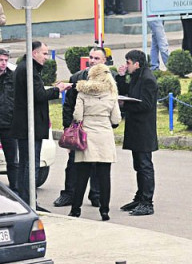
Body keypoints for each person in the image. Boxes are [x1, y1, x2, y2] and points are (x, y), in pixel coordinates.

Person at [13, 42, 71, 205]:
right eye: (44, 54)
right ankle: (29, 202)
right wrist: (58, 89)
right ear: (34, 53)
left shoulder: (26, 68)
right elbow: (38, 95)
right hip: (29, 126)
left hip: (27, 124)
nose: (46, 57)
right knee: (30, 164)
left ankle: (26, 200)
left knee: (26, 163)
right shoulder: (28, 70)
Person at [53, 47, 105, 209]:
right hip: (79, 128)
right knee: (73, 162)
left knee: (97, 162)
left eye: (97, 58)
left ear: (104, 61)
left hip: (98, 128)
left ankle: (96, 195)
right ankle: (69, 193)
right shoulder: (77, 78)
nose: (92, 61)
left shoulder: (109, 79)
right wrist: (67, 128)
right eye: (91, 57)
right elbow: (68, 105)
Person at [69, 63, 121, 221]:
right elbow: (116, 119)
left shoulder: (82, 92)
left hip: (87, 136)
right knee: (104, 176)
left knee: (81, 176)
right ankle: (104, 210)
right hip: (104, 136)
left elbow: (77, 116)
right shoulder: (111, 93)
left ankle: (75, 209)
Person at [116, 50, 159, 216]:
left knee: (144, 165)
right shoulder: (137, 76)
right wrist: (121, 77)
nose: (126, 66)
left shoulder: (148, 79)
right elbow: (127, 91)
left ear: (137, 64)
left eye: (128, 63)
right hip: (135, 127)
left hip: (144, 129)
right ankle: (139, 197)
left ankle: (147, 202)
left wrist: (125, 105)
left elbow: (146, 104)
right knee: (138, 165)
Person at [0, 49, 17, 193]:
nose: (3, 63)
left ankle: (15, 190)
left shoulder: (13, 77)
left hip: (9, 124)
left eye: (6, 60)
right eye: (1, 60)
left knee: (12, 160)